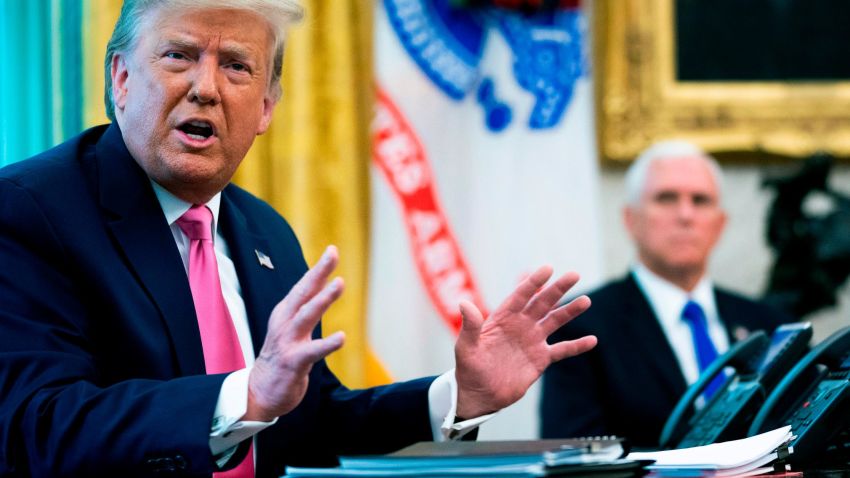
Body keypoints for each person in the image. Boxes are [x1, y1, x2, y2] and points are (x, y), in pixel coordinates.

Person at [0, 1, 597, 477]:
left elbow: (309, 423)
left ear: (265, 107)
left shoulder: (264, 233)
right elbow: (37, 428)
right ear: (122, 77)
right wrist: (244, 397)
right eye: (179, 56)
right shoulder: (30, 211)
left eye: (236, 65)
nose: (206, 87)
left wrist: (458, 396)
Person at [540, 140, 794, 447]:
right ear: (630, 219)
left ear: (719, 224)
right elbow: (574, 453)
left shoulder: (768, 324)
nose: (685, 215)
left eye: (700, 200)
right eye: (666, 198)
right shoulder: (581, 324)